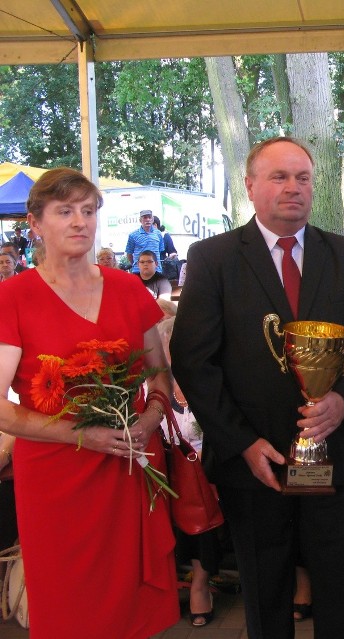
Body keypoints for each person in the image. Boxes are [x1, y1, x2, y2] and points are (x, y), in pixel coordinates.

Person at [170, 136, 344, 639]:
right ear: (251, 186)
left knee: (340, 593)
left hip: (335, 452)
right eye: (279, 177)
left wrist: (343, 401)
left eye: (303, 177)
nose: (293, 188)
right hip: (255, 461)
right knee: (265, 591)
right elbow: (193, 362)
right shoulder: (213, 259)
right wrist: (241, 443)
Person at [0, 167, 179, 638]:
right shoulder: (13, 296)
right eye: (65, 212)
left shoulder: (125, 288)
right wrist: (82, 434)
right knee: (68, 604)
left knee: (129, 605)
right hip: (57, 477)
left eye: (88, 210)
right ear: (36, 224)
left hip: (126, 465)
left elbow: (159, 369)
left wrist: (152, 416)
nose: (80, 221)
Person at [157, 317, 221, 628]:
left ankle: (200, 582)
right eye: (170, 347)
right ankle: (164, 585)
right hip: (166, 473)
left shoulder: (210, 385)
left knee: (201, 494)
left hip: (208, 471)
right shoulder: (153, 390)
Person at [125, 209, 164, 273]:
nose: (148, 219)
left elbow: (159, 251)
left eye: (149, 217)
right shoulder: (133, 235)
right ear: (140, 220)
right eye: (145, 217)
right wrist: (136, 265)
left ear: (152, 219)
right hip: (139, 271)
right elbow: (129, 254)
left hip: (156, 270)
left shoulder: (158, 234)